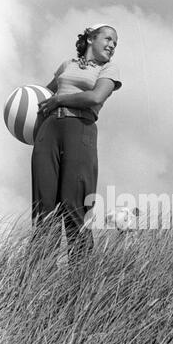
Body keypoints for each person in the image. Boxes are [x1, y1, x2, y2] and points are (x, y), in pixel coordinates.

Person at [31, 23, 122, 264]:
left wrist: (60, 99)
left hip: (80, 131)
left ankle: (80, 284)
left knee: (74, 207)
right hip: (48, 132)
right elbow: (43, 99)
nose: (112, 45)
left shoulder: (109, 69)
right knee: (43, 209)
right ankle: (37, 281)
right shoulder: (66, 65)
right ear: (91, 38)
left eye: (115, 42)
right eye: (108, 38)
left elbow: (96, 97)